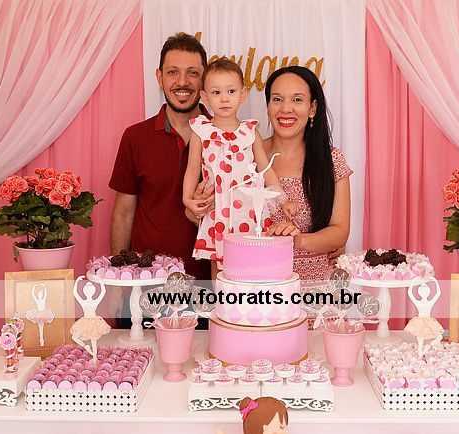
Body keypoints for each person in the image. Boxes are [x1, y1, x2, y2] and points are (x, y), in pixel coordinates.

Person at [109, 33, 213, 323]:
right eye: (173, 72)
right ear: (159, 77)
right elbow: (123, 213)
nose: (183, 82)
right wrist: (118, 283)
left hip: (209, 288)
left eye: (193, 73)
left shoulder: (225, 138)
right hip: (146, 289)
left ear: (204, 80)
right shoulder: (135, 138)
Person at [183, 58, 297, 277]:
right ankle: (221, 299)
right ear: (204, 97)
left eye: (231, 91)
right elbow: (192, 169)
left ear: (243, 94)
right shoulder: (201, 131)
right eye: (216, 93)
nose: (224, 98)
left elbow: (266, 170)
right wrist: (188, 199)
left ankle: (249, 297)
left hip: (249, 211)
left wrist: (283, 200)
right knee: (219, 264)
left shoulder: (250, 132)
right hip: (218, 209)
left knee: (251, 262)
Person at [263, 66, 352, 282]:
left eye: (297, 100)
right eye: (277, 99)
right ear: (268, 106)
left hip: (316, 286)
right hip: (257, 282)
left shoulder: (331, 160)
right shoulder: (246, 156)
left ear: (312, 108)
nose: (286, 108)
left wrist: (296, 240)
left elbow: (340, 231)